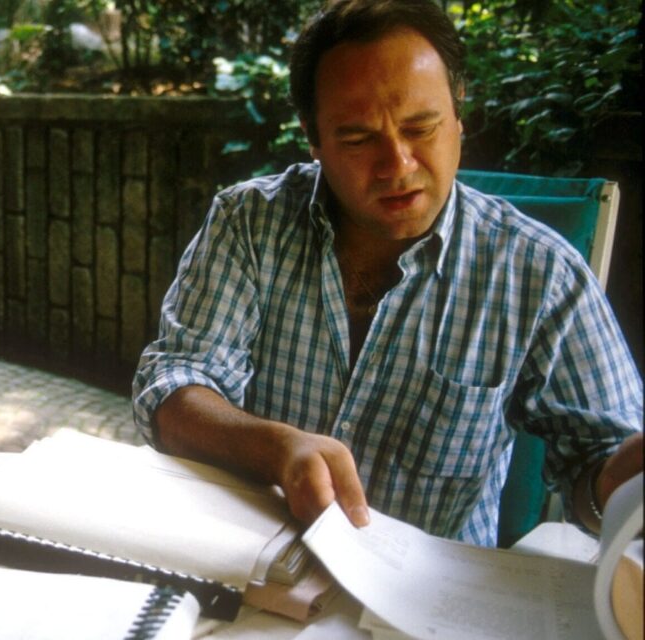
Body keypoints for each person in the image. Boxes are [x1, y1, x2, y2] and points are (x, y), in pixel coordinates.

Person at [133, 0, 642, 549]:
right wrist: (274, 449)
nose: (397, 164)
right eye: (357, 139)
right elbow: (174, 384)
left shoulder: (541, 274)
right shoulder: (250, 223)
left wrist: (620, 487)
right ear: (313, 138)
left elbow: (602, 468)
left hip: (431, 594)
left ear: (459, 114)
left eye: (421, 127)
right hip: (251, 560)